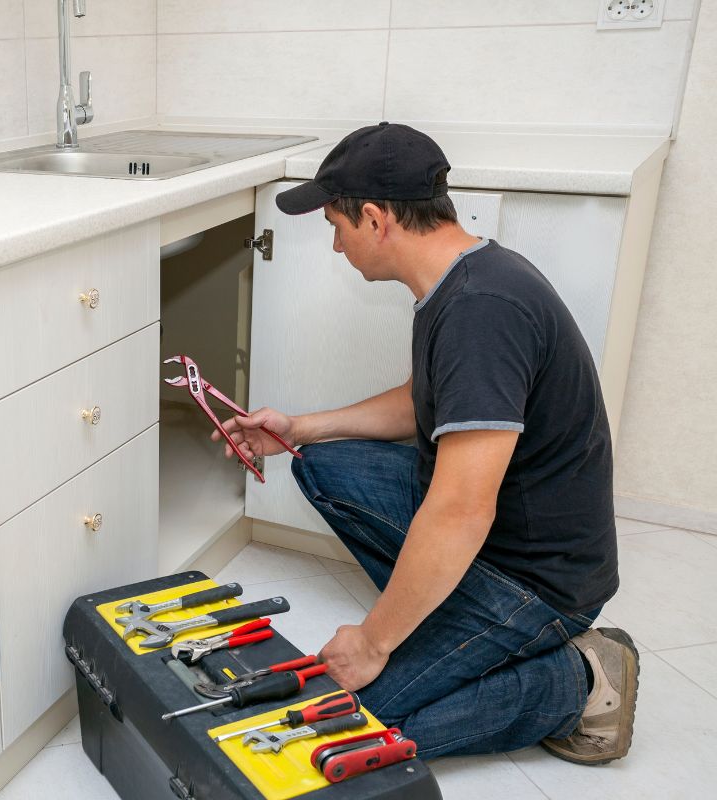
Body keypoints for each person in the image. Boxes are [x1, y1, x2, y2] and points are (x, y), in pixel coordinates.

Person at [216, 123, 638, 764]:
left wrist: (376, 641)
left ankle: (580, 679)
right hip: (500, 535)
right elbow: (424, 403)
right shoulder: (460, 277)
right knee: (321, 464)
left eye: (337, 224)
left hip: (538, 577)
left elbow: (463, 510)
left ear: (377, 219)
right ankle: (448, 616)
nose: (335, 245)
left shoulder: (481, 310)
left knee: (350, 723)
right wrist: (300, 428)